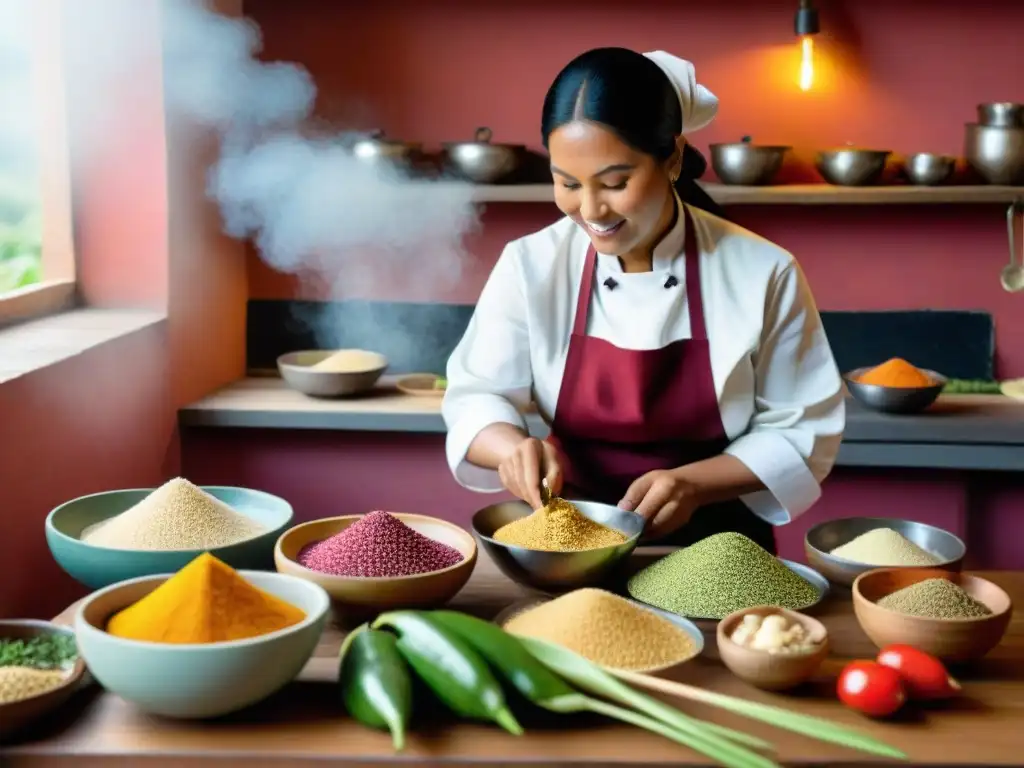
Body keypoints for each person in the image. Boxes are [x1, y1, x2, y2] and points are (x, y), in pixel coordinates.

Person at [441, 47, 844, 552]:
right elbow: (477, 395)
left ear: (673, 158)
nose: (590, 210)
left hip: (717, 549)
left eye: (615, 183)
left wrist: (695, 484)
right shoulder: (531, 265)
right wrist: (512, 447)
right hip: (571, 542)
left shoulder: (764, 271)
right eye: (567, 183)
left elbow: (802, 428)